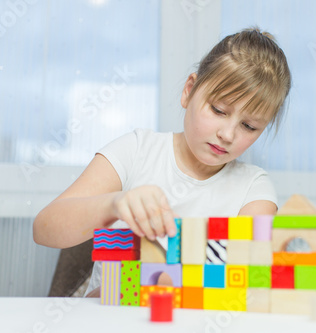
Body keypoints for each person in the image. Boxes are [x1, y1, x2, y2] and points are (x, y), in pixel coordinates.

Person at [33, 27, 291, 296]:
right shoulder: (136, 150)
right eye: (218, 110)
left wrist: (141, 288)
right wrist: (114, 205)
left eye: (249, 126)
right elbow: (44, 229)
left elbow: (248, 280)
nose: (227, 134)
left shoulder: (254, 189)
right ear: (189, 91)